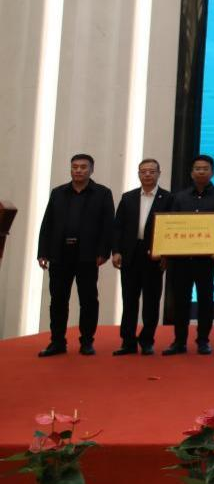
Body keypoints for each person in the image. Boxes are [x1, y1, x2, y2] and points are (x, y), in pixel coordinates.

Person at [36, 153, 115, 357]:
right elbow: (47, 224)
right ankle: (57, 342)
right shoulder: (58, 192)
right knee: (58, 300)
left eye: (83, 167)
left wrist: (104, 252)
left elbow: (108, 226)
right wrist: (43, 252)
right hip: (59, 255)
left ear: (91, 170)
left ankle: (87, 342)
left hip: (88, 256)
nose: (78, 170)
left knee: (88, 300)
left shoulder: (102, 193)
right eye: (75, 167)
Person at [164, 154, 214, 356]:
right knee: (180, 301)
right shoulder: (179, 197)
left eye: (205, 168)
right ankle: (179, 341)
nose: (201, 172)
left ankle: (203, 340)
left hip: (206, 259)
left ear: (212, 172)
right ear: (191, 173)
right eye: (197, 168)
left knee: (205, 300)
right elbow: (170, 226)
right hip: (180, 259)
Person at [111, 157, 170, 356]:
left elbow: (171, 230)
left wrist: (166, 255)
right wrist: (116, 251)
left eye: (152, 171)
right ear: (138, 174)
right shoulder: (128, 197)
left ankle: (147, 341)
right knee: (129, 300)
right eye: (143, 171)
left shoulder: (168, 198)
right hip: (130, 254)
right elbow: (117, 227)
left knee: (151, 301)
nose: (147, 175)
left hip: (154, 256)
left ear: (159, 174)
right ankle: (127, 342)